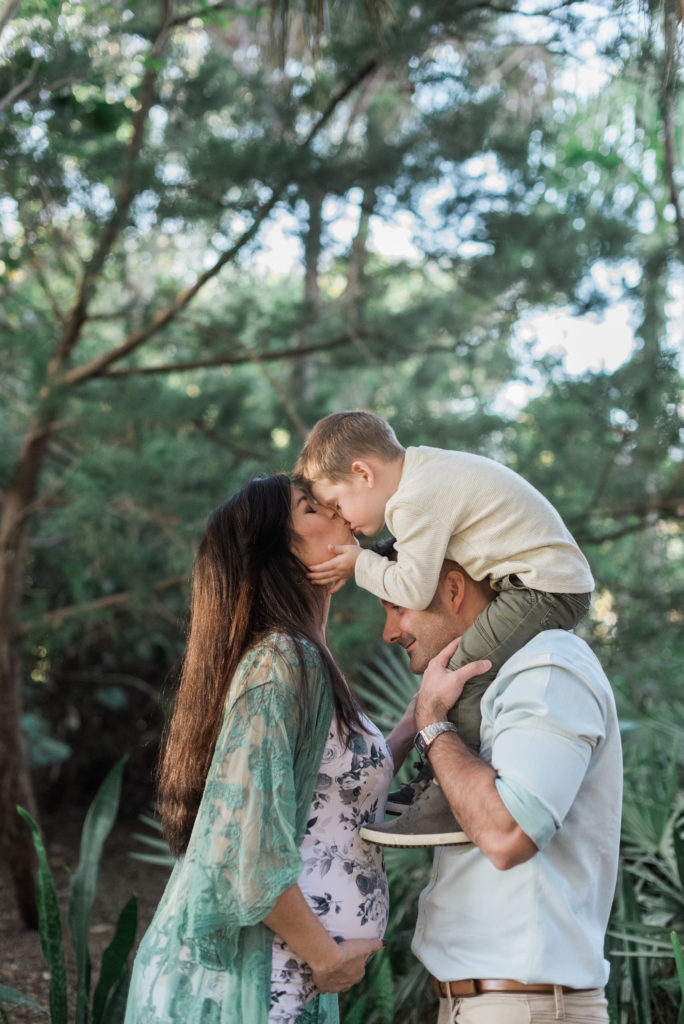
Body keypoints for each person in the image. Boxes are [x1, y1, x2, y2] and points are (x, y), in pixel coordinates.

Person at [124, 476, 443, 1024]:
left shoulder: (301, 659)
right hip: (250, 984)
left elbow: (333, 794)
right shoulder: (281, 661)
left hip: (290, 979)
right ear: (280, 553)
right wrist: (329, 960)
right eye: (314, 508)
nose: (343, 513)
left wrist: (421, 717)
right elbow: (245, 843)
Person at [293, 411, 594, 847]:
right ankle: (431, 787)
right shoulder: (425, 473)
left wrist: (360, 563)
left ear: (362, 473)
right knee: (460, 669)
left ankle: (445, 802)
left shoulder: (413, 500)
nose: (344, 518)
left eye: (338, 504)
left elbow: (414, 587)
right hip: (541, 580)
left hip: (544, 587)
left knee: (458, 672)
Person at [359, 548, 622, 1023]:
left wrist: (434, 725)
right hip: (488, 1005)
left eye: (398, 606)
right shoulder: (493, 685)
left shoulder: (546, 669)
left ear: (454, 589)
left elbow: (507, 833)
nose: (389, 632)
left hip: (526, 1007)